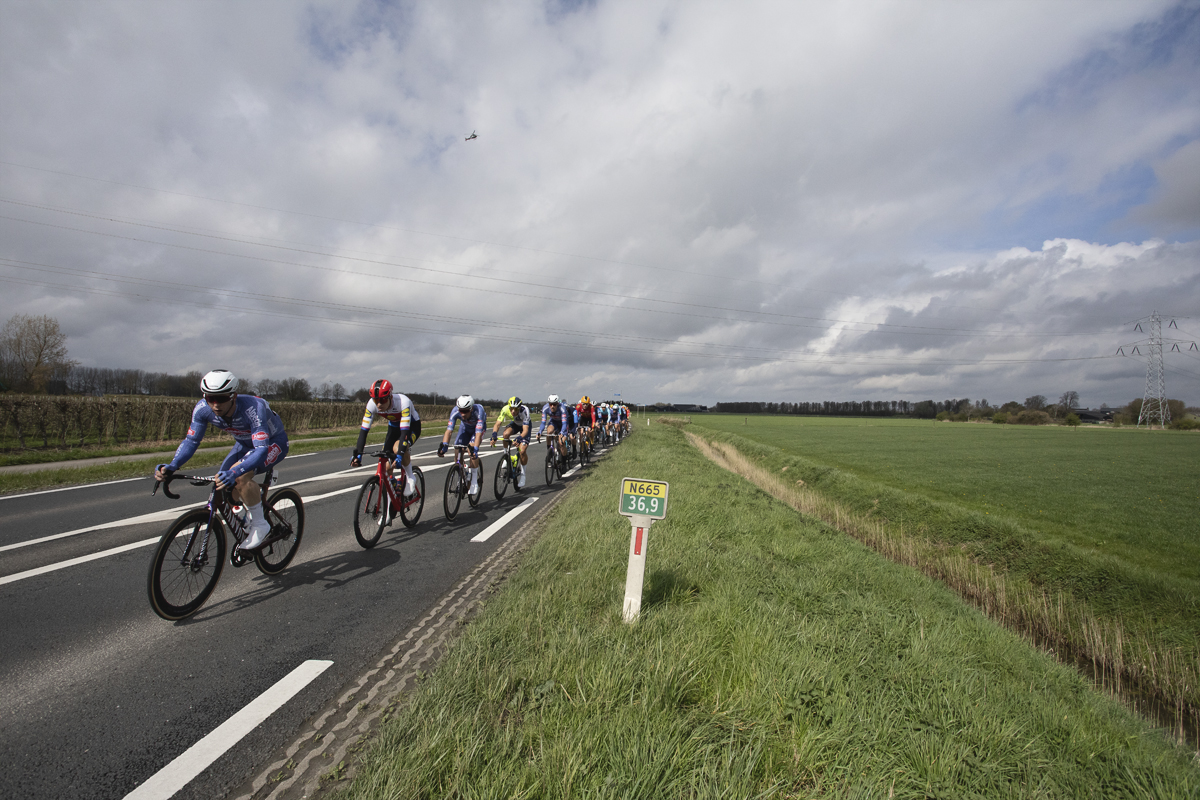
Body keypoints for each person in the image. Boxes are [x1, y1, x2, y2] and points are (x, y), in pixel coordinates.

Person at [155, 370, 288, 550]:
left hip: (271, 444)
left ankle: (260, 524)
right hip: (243, 444)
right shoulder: (202, 409)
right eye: (211, 398)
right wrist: (172, 466)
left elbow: (261, 449)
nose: (216, 405)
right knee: (221, 484)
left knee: (239, 477)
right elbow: (191, 441)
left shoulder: (252, 408)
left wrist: (235, 472)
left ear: (233, 396)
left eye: (222, 398)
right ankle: (245, 516)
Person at [350, 379, 421, 496]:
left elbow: (404, 433)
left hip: (411, 426)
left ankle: (410, 477)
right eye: (376, 400)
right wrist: (358, 455)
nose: (379, 404)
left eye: (382, 400)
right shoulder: (371, 405)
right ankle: (393, 489)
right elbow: (363, 432)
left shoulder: (403, 402)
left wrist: (399, 456)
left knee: (398, 448)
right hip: (393, 427)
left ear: (390, 397)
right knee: (386, 466)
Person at [439, 394, 487, 495]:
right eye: (461, 410)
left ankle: (474, 480)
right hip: (464, 428)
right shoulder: (455, 411)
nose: (463, 414)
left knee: (471, 449)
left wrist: (476, 449)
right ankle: (462, 475)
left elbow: (478, 434)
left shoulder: (479, 411)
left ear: (471, 408)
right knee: (457, 450)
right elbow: (449, 431)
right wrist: (444, 445)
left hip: (477, 430)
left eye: (465, 411)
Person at [490, 396, 531, 488]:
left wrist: (519, 438)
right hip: (516, 424)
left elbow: (525, 431)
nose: (513, 411)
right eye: (511, 408)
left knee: (522, 451)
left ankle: (523, 475)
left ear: (519, 408)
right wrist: (494, 434)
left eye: (515, 409)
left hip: (525, 427)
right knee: (505, 434)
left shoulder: (525, 411)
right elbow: (497, 424)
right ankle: (506, 456)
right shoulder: (505, 409)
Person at [536, 394, 569, 463]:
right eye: (551, 404)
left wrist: (562, 433)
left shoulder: (562, 408)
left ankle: (564, 461)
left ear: (557, 403)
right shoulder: (545, 408)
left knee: (561, 442)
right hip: (553, 422)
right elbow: (543, 423)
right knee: (549, 432)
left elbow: (564, 424)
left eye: (554, 404)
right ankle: (549, 451)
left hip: (563, 423)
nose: (552, 406)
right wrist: (539, 432)